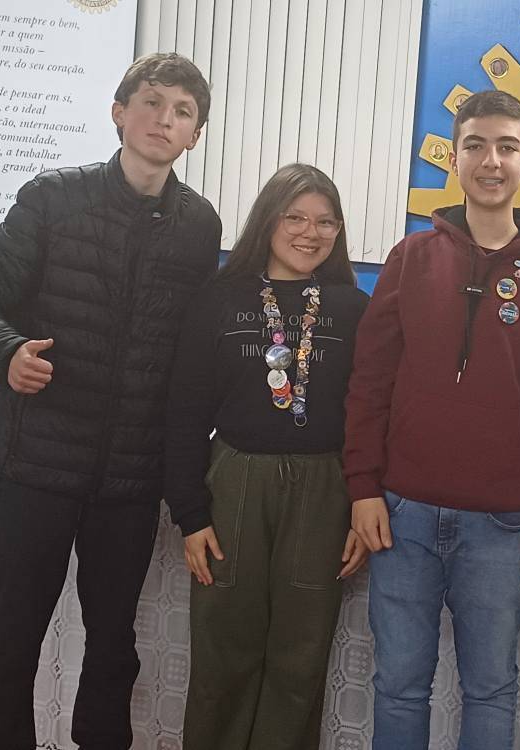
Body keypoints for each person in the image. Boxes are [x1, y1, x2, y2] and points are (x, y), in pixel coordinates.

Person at [0, 53, 221, 749]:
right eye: (151, 102)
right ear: (119, 112)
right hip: (34, 466)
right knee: (15, 640)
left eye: (182, 111)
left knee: (114, 645)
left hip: (129, 481)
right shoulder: (54, 198)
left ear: (195, 135)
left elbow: (191, 355)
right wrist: (7, 352)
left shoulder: (199, 226)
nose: (164, 119)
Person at [343, 90, 520, 749]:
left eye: (507, 147)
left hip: (504, 527)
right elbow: (369, 384)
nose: (491, 161)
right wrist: (363, 488)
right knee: (399, 684)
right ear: (454, 159)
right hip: (402, 517)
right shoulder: (411, 259)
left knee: (490, 688)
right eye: (476, 145)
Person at [163, 163, 369, 749]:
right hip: (236, 482)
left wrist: (361, 504)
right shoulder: (218, 300)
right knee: (223, 647)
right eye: (295, 217)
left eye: (325, 222)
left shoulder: (355, 308)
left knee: (300, 654)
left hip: (324, 491)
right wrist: (191, 515)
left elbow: (368, 416)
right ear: (268, 221)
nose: (310, 232)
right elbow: (184, 412)